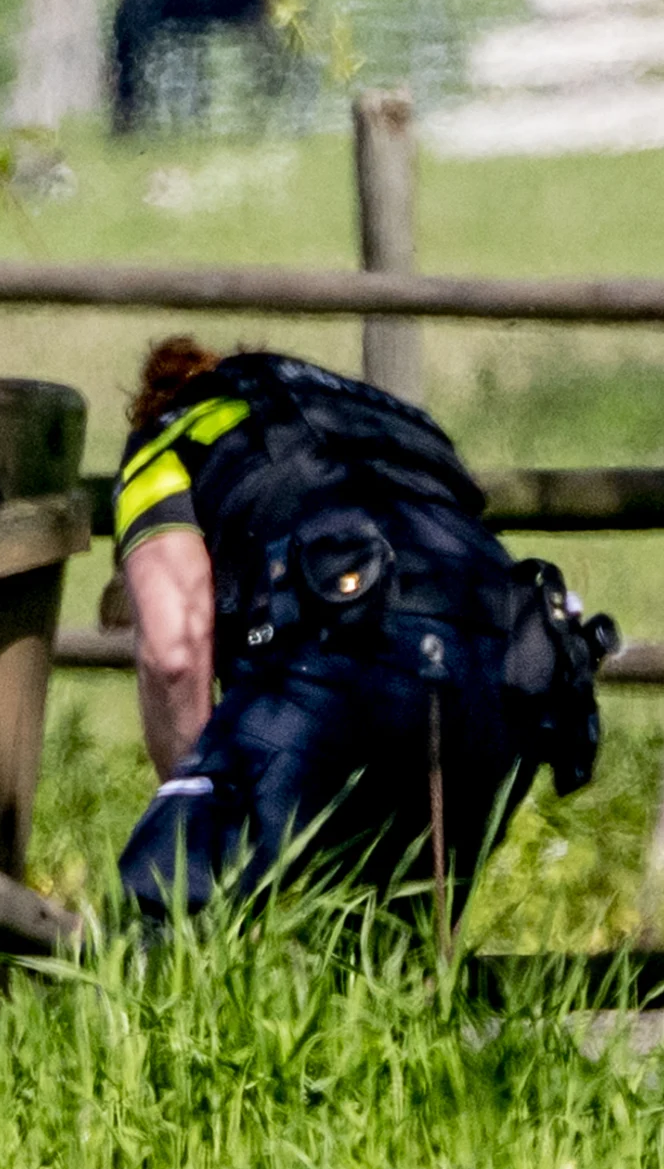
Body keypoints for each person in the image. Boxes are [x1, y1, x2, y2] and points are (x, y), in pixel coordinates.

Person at [111, 337, 613, 927]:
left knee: (169, 910)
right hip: (507, 670)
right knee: (384, 959)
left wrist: (195, 791)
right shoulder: (387, 425)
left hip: (342, 649)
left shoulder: (170, 432)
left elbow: (174, 650)